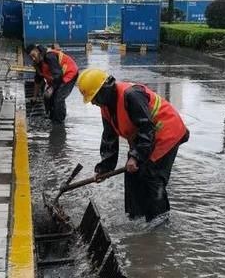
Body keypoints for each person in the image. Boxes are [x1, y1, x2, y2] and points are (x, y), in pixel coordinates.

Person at [76, 68, 190, 222]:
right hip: (148, 137)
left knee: (152, 175)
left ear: (105, 89)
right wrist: (104, 168)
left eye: (95, 98)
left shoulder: (131, 95)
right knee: (132, 174)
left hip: (167, 133)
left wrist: (135, 157)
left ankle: (159, 223)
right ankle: (136, 217)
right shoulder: (106, 106)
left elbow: (146, 128)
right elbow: (109, 138)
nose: (94, 103)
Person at [26, 44, 79, 124]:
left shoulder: (49, 56)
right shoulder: (38, 63)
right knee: (47, 96)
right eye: (31, 57)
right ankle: (50, 116)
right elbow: (38, 79)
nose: (33, 59)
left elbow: (58, 75)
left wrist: (52, 88)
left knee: (58, 98)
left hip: (69, 73)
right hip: (57, 78)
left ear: (37, 51)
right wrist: (34, 97)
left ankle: (59, 123)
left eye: (34, 55)